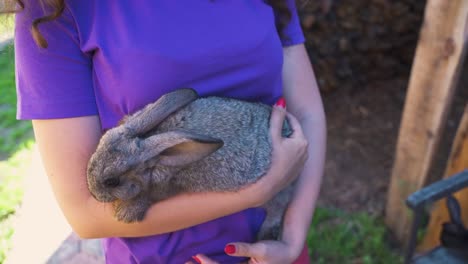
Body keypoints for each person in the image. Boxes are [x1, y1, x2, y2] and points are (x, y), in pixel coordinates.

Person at [12, 0, 326, 263]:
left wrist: (292, 238)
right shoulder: (51, 10)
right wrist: (258, 191)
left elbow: (307, 112)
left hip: (273, 249)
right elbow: (84, 212)